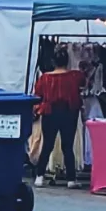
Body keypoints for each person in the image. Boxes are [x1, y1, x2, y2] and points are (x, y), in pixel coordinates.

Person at [34, 45, 85, 189]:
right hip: (69, 113)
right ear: (67, 61)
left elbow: (38, 95)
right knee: (67, 146)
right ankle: (71, 179)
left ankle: (39, 176)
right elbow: (84, 84)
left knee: (47, 145)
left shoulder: (45, 78)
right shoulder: (75, 76)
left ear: (53, 62)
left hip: (50, 113)